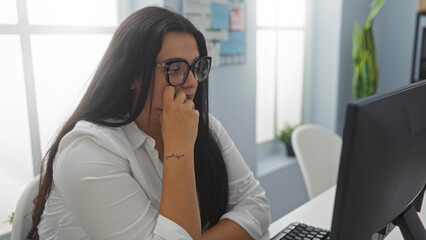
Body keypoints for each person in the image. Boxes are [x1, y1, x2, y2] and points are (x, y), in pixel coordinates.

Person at [28, 6, 270, 240]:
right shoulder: (86, 151)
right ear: (131, 75)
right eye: (175, 68)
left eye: (196, 67)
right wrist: (180, 150)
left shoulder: (203, 126)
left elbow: (256, 205)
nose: (192, 83)